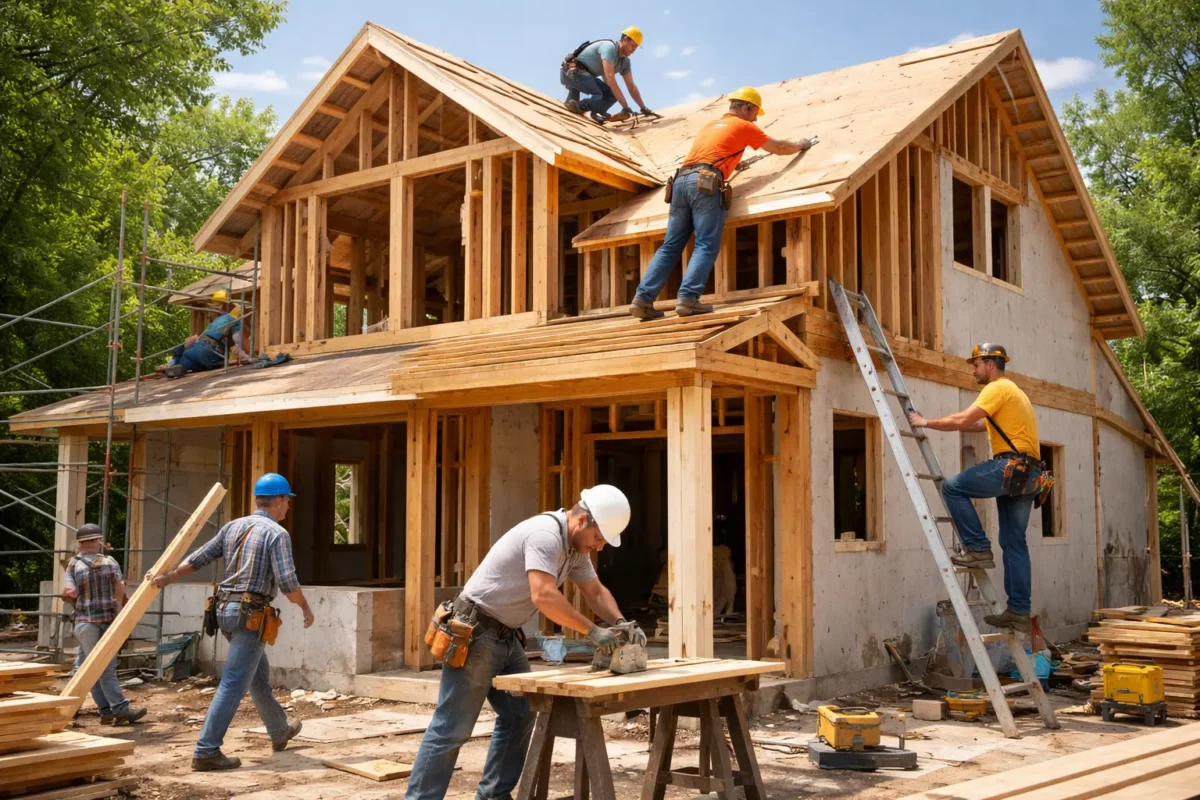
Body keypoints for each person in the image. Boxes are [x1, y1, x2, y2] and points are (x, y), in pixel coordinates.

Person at [405, 485, 643, 800]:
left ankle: (493, 796)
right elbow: (543, 594)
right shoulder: (544, 535)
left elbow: (595, 592)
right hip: (476, 631)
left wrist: (619, 623)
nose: (598, 547)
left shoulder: (575, 550)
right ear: (583, 520)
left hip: (505, 635)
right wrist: (591, 631)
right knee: (452, 729)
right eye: (599, 538)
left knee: (521, 714)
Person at [147, 473, 315, 771]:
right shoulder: (277, 534)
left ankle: (279, 730)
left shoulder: (233, 527)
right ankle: (206, 750)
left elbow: (198, 558)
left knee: (256, 674)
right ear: (277, 501)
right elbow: (288, 582)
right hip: (249, 616)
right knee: (234, 683)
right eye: (287, 501)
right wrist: (306, 609)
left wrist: (168, 578)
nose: (288, 506)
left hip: (223, 612)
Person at [630, 87, 815, 319]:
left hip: (680, 181)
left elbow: (711, 153)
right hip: (705, 182)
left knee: (670, 246)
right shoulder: (745, 126)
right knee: (706, 243)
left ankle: (642, 299)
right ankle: (688, 300)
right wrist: (800, 145)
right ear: (746, 107)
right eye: (755, 112)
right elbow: (778, 148)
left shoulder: (711, 125)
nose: (756, 118)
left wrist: (734, 164)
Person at [907, 343, 1043, 633]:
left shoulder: (995, 388)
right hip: (1029, 474)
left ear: (991, 364)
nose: (974, 370)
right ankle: (1019, 610)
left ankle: (978, 548)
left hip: (1010, 467)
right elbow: (980, 426)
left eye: (977, 364)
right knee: (1014, 543)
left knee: (953, 488)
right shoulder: (1015, 392)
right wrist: (952, 424)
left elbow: (962, 419)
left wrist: (925, 421)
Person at [61, 522, 147, 725]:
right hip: (107, 621)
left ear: (80, 543)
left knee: (88, 667)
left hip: (84, 623)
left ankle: (106, 711)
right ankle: (121, 709)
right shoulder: (110, 562)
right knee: (104, 669)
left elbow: (70, 593)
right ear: (97, 541)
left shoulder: (73, 564)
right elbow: (119, 594)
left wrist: (78, 600)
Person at [560, 27, 652, 124]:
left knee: (611, 95)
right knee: (599, 94)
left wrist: (643, 108)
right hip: (571, 73)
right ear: (625, 40)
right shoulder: (609, 48)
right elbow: (610, 78)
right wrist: (625, 106)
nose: (634, 50)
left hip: (584, 78)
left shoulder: (624, 62)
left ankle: (595, 112)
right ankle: (578, 106)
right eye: (633, 45)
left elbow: (631, 86)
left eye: (636, 47)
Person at [165, 289, 251, 377]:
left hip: (194, 350)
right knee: (212, 364)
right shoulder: (234, 321)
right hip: (210, 353)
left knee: (184, 363)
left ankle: (173, 367)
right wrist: (247, 357)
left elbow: (195, 338)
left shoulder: (217, 320)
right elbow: (237, 343)